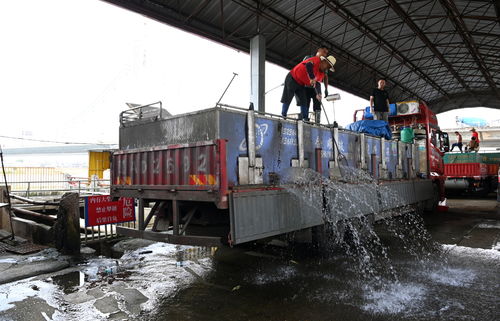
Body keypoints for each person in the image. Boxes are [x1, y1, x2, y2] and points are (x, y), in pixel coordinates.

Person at [281, 55, 336, 121]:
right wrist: (312, 77)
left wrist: (318, 93)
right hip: (292, 77)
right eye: (327, 65)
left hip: (301, 84)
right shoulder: (316, 60)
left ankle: (305, 118)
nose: (326, 68)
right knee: (288, 96)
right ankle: (283, 115)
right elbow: (308, 65)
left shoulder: (322, 73)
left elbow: (317, 83)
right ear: (323, 61)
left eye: (329, 67)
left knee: (304, 100)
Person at [297, 45, 331, 124]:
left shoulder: (325, 62)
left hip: (317, 85)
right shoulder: (308, 58)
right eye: (324, 52)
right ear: (319, 50)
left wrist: (326, 89)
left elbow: (325, 76)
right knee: (305, 102)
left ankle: (317, 121)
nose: (325, 54)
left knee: (317, 103)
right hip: (306, 85)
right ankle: (305, 119)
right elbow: (303, 69)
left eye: (326, 53)